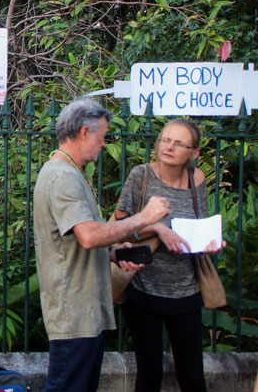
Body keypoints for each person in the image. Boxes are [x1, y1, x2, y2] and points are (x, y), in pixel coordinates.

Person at [33, 98, 171, 392]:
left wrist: (114, 253)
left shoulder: (69, 173)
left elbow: (74, 240)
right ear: (84, 133)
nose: (104, 144)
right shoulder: (62, 177)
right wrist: (145, 217)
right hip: (74, 311)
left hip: (83, 309)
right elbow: (89, 235)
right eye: (102, 137)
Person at [114, 118, 225, 392]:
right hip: (144, 287)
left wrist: (209, 242)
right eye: (165, 140)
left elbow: (196, 225)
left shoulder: (196, 178)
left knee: (192, 376)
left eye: (179, 143)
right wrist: (157, 229)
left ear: (194, 152)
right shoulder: (141, 176)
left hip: (187, 290)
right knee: (150, 374)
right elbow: (117, 230)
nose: (169, 147)